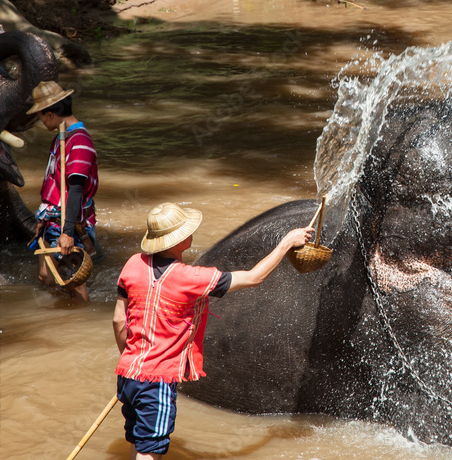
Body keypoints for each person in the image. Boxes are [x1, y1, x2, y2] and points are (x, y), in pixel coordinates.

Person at [113, 202, 313, 459]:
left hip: (128, 371)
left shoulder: (132, 264)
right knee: (150, 452)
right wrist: (286, 243)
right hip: (158, 380)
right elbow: (253, 277)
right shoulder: (190, 277)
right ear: (180, 239)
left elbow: (119, 320)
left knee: (139, 442)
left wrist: (129, 362)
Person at [27, 80, 100, 301]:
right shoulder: (60, 140)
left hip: (68, 221)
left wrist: (68, 232)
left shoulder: (79, 142)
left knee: (73, 281)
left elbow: (76, 189)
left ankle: (81, 322)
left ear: (49, 114)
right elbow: (53, 183)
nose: (41, 122)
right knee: (46, 276)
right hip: (53, 219)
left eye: (40, 117)